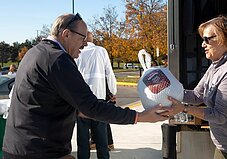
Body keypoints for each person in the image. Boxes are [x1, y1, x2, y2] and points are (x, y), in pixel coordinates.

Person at [2, 13, 170, 159]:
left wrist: (80, 110)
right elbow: (90, 106)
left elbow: (46, 100)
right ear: (66, 34)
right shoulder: (58, 59)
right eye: (82, 38)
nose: (84, 44)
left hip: (21, 147)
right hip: (39, 151)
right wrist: (140, 117)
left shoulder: (36, 52)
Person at [163, 16, 227, 159]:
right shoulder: (216, 66)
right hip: (226, 146)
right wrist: (167, 90)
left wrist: (184, 108)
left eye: (207, 39)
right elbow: (197, 96)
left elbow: (220, 115)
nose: (203, 45)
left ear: (222, 38)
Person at [75, 31, 116, 159]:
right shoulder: (101, 51)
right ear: (92, 39)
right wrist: (113, 92)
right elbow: (109, 72)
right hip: (99, 98)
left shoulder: (77, 53)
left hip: (82, 100)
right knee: (101, 137)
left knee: (82, 138)